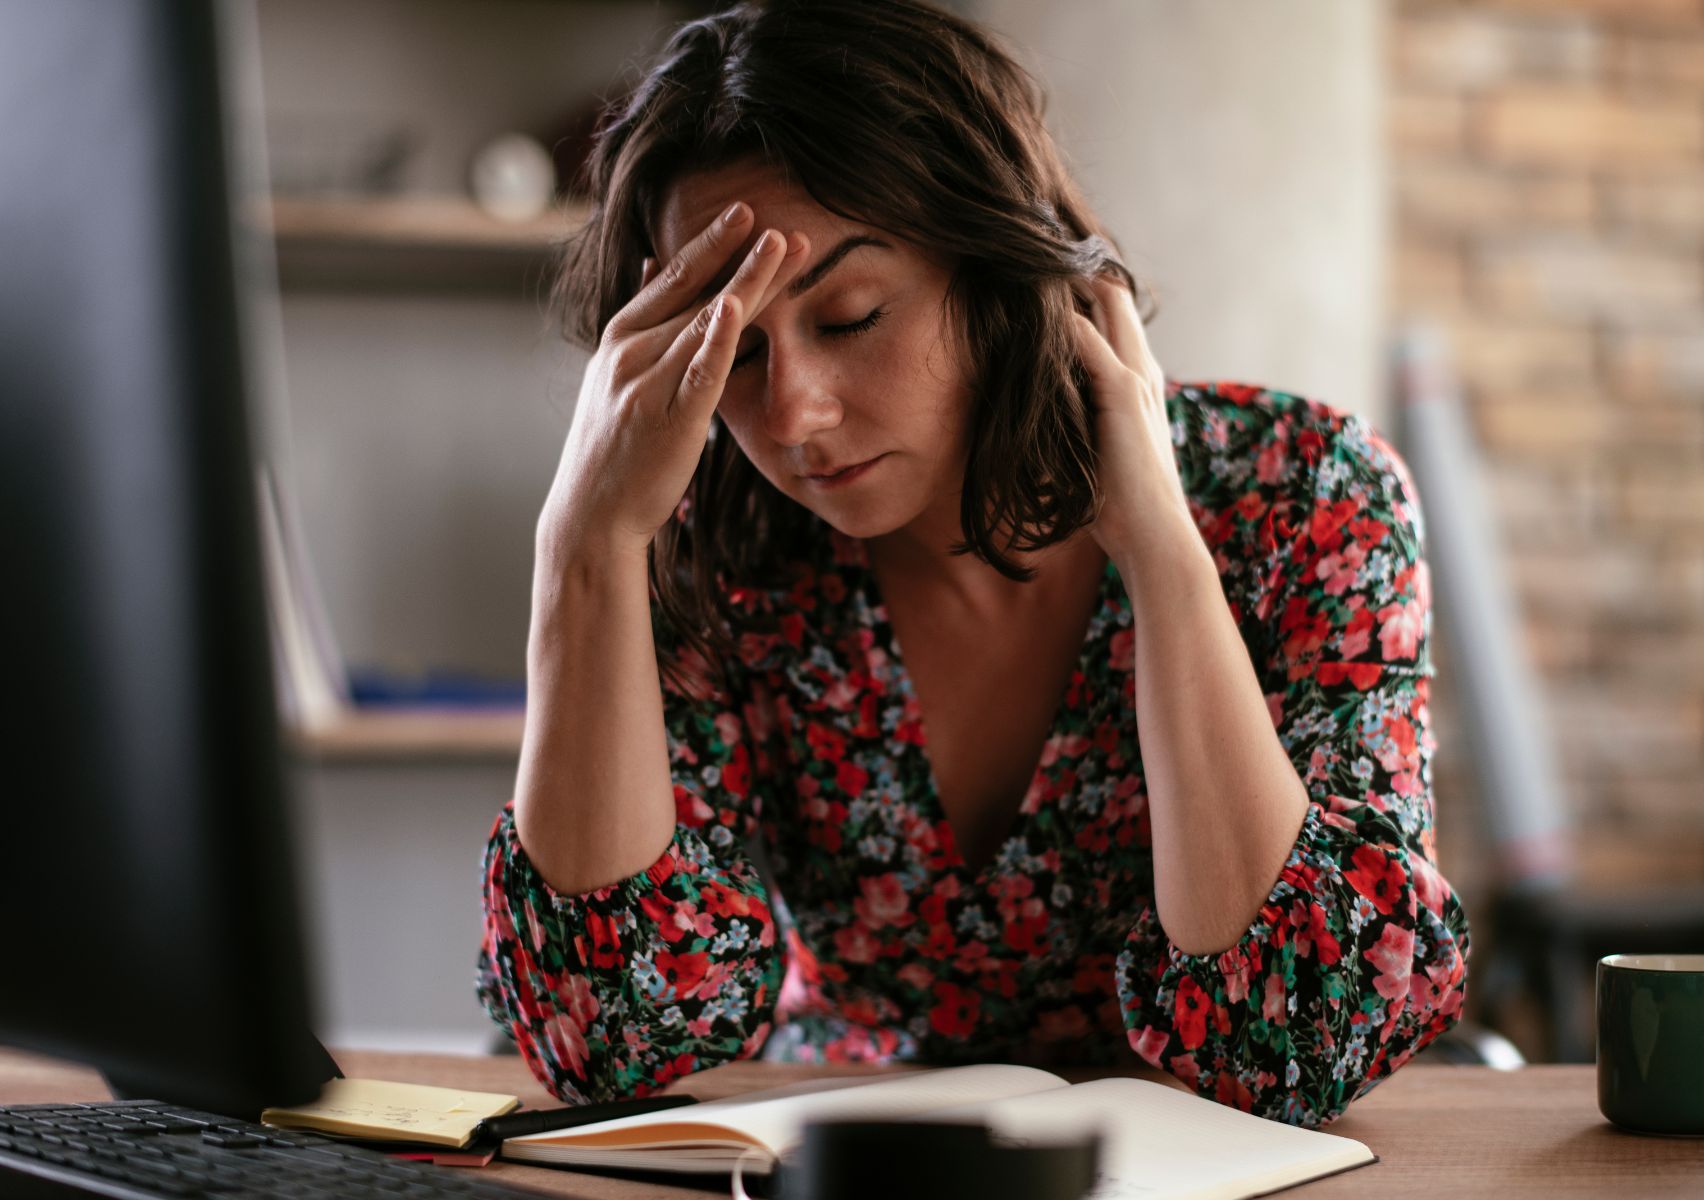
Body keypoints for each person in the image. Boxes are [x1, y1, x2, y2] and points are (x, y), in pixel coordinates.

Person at [476, 0, 1468, 1128]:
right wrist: (582, 552)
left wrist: (1163, 557)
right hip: (837, 1158)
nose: (793, 413)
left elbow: (1297, 1042)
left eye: (850, 316)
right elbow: (605, 1043)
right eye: (734, 348)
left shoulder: (1305, 498)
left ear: (1000, 274)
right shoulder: (708, 546)